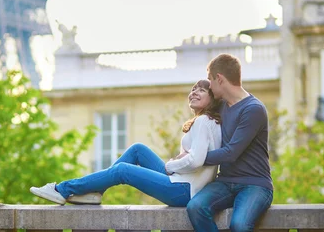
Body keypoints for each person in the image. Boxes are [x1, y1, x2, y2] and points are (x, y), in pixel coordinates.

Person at [30, 80, 223, 207]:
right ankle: (96, 191)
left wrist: (170, 165)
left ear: (212, 98)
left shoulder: (204, 122)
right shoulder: (209, 121)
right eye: (193, 89)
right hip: (183, 183)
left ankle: (63, 189)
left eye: (201, 90)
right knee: (137, 150)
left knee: (123, 170)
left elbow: (196, 159)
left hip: (183, 190)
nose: (194, 92)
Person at [186, 53, 273, 232]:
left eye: (210, 81)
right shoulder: (221, 106)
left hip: (255, 185)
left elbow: (231, 152)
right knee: (196, 207)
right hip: (226, 182)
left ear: (220, 79)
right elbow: (200, 120)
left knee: (240, 225)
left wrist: (191, 159)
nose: (209, 86)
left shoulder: (253, 109)